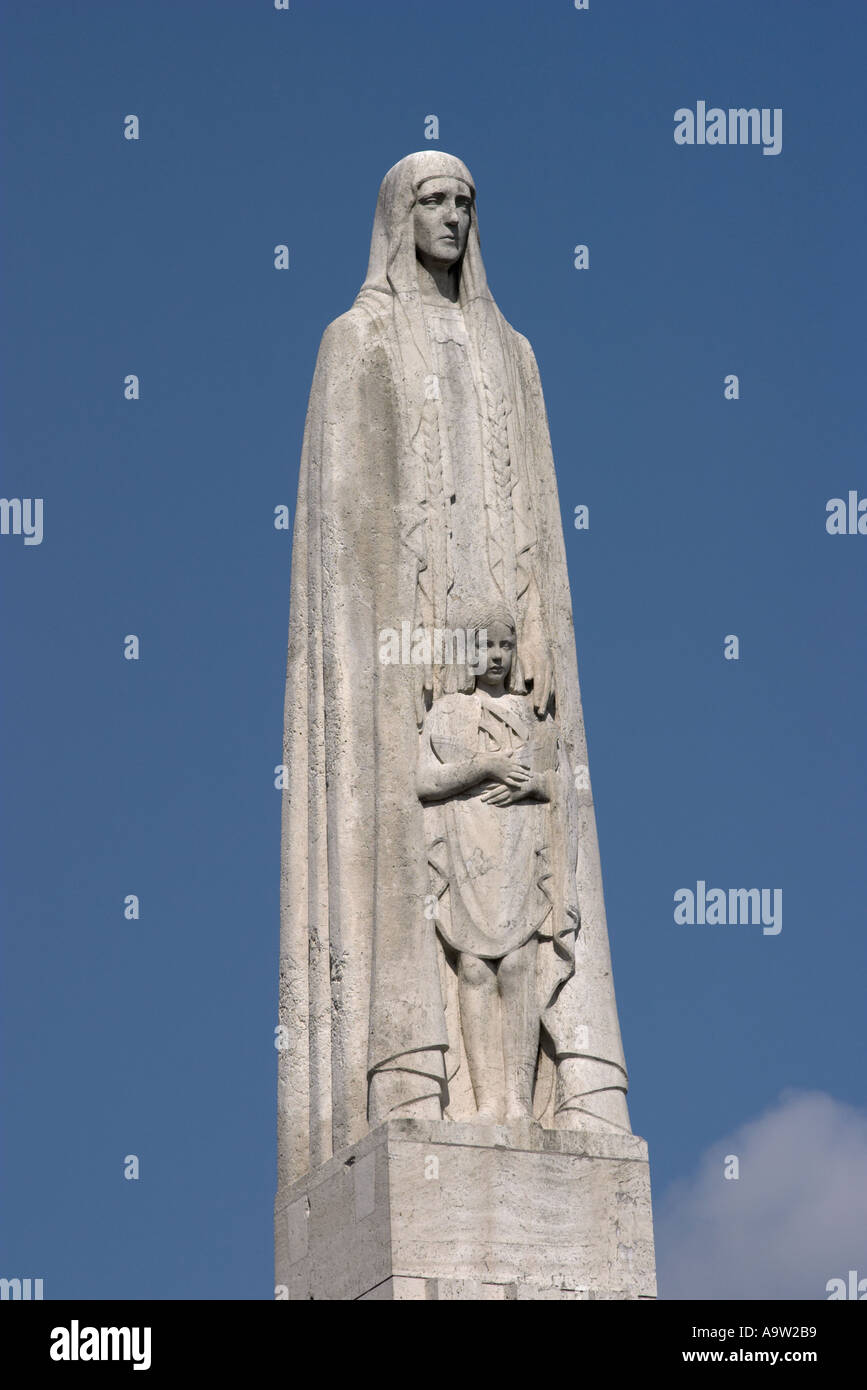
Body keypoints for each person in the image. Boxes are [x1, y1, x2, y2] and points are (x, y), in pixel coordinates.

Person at [278, 152, 631, 1194]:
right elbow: (350, 538)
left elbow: (544, 543)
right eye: (431, 201)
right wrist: (398, 664)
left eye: (465, 203)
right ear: (398, 218)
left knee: (530, 904)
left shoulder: (510, 352)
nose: (451, 217)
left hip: (507, 684)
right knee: (427, 901)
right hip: (407, 682)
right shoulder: (358, 343)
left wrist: (540, 646)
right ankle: (416, 1080)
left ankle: (545, 1091)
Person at [416, 607, 578, 1123]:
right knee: (474, 969)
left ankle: (518, 1101)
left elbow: (565, 783)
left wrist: (536, 784)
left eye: (505, 646)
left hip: (518, 844)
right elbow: (425, 781)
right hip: (467, 842)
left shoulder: (529, 713)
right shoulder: (447, 712)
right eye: (486, 646)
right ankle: (487, 1104)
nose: (497, 656)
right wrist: (483, 765)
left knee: (519, 964)